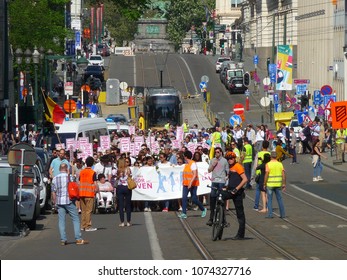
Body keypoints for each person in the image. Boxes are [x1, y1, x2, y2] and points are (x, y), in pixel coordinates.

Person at [51, 163, 89, 245]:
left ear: (59, 169)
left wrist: (55, 203)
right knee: (75, 219)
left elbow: (53, 192)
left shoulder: (55, 179)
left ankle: (63, 239)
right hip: (69, 200)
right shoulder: (71, 177)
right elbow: (76, 187)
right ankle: (78, 238)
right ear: (67, 169)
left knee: (61, 220)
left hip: (59, 201)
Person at [222, 151, 248, 240]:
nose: (230, 160)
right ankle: (221, 217)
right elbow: (229, 178)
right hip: (230, 190)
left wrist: (237, 188)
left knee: (240, 213)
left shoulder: (238, 166)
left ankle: (241, 234)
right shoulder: (229, 167)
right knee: (219, 196)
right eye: (228, 159)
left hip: (237, 192)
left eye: (231, 158)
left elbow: (245, 179)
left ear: (234, 158)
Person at [178, 150, 207, 219]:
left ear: (186, 157)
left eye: (184, 156)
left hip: (193, 184)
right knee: (184, 198)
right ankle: (184, 213)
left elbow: (194, 174)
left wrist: (190, 182)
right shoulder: (186, 164)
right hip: (186, 184)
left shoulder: (192, 164)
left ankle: (203, 209)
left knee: (194, 198)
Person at [206, 147, 229, 226]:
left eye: (218, 152)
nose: (217, 153)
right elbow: (209, 170)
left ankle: (224, 219)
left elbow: (227, 171)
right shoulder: (212, 160)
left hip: (221, 181)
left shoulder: (224, 161)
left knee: (222, 198)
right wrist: (213, 165)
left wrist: (227, 178)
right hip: (214, 181)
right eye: (215, 152)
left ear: (221, 153)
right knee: (212, 197)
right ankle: (211, 218)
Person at [264, 151, 286, 219]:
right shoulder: (280, 164)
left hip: (270, 184)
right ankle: (282, 214)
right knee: (280, 199)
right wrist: (284, 183)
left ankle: (270, 214)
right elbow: (283, 175)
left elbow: (266, 174)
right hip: (278, 184)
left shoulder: (268, 164)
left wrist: (264, 183)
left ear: (271, 157)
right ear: (276, 157)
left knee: (269, 199)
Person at [79, 156, 99, 231]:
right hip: (89, 193)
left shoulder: (82, 171)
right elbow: (95, 183)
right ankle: (88, 226)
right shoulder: (93, 172)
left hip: (81, 193)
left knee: (83, 210)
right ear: (93, 163)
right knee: (88, 210)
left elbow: (79, 182)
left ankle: (83, 225)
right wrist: (96, 191)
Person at [253, 140, 270, 211]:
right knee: (267, 191)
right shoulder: (269, 154)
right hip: (268, 173)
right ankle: (267, 206)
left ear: (262, 146)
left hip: (259, 173)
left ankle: (256, 206)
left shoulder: (259, 154)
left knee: (258, 190)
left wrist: (254, 172)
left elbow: (255, 165)